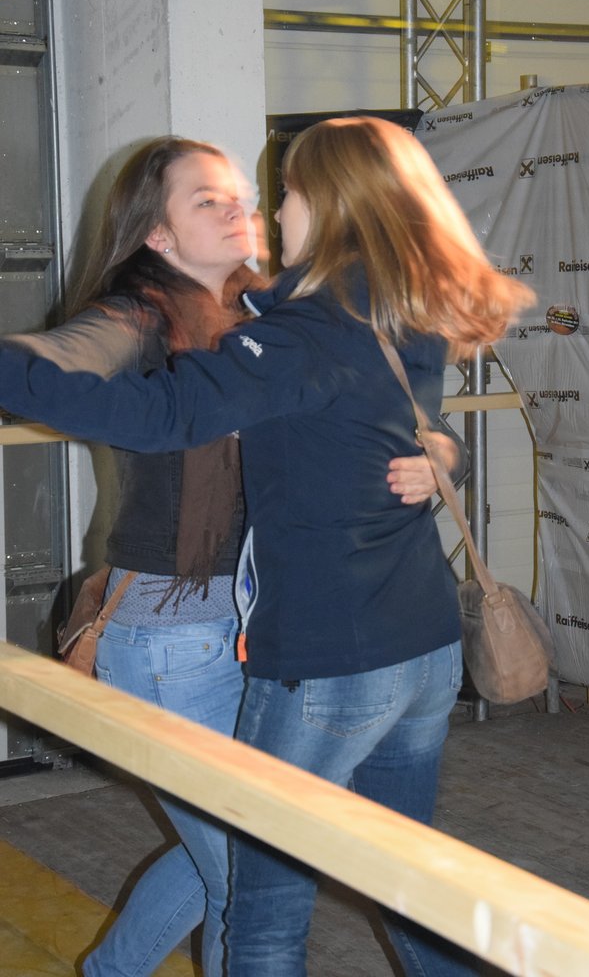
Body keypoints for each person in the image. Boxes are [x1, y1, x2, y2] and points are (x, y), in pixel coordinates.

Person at [0, 116, 533, 975]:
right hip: (211, 630)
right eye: (210, 201)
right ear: (157, 234)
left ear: (328, 205)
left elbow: (386, 415)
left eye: (266, 196)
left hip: (313, 639)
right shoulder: (147, 315)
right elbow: (87, 363)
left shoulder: (289, 318)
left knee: (254, 891)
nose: (257, 212)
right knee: (311, 868)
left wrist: (443, 455)